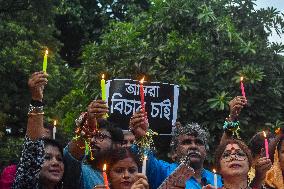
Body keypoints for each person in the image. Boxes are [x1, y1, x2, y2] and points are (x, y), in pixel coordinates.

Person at [130, 111, 222, 189]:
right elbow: (145, 161)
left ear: (205, 152)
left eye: (199, 142)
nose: (193, 146)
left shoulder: (218, 180)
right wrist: (141, 137)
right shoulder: (163, 170)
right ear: (174, 152)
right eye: (187, 142)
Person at [12, 71, 65, 189]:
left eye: (60, 159)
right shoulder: (25, 183)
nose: (55, 163)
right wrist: (36, 99)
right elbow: (33, 147)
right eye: (47, 157)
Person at [63, 99, 124, 189]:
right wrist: (87, 128)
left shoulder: (127, 175)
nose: (92, 140)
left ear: (117, 145)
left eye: (100, 136)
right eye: (92, 136)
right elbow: (70, 157)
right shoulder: (84, 172)